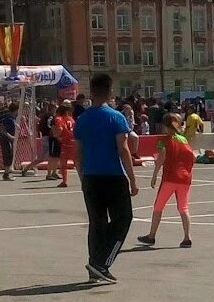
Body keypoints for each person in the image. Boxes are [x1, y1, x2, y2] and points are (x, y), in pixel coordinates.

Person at [74, 73, 140, 283]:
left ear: (92, 93)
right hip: (112, 176)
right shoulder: (116, 117)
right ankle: (101, 263)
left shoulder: (82, 119)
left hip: (91, 177)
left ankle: (95, 263)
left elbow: (77, 155)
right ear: (110, 92)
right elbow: (123, 150)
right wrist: (133, 179)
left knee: (97, 223)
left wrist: (82, 176)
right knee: (123, 219)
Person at [138, 113, 195, 248]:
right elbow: (192, 157)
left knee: (158, 207)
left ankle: (151, 236)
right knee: (183, 207)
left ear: (164, 126)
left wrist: (154, 175)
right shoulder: (183, 139)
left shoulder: (163, 140)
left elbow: (160, 158)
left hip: (170, 177)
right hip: (185, 178)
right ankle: (187, 237)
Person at [52, 103, 77, 188]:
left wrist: (56, 135)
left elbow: (60, 129)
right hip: (74, 142)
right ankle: (83, 180)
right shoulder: (71, 119)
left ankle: (64, 181)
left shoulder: (59, 119)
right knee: (77, 162)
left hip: (65, 142)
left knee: (63, 163)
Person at [0, 102, 19, 181]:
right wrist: (11, 136)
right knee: (7, 156)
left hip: (9, 140)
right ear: (15, 110)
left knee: (10, 156)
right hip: (6, 140)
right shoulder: (8, 118)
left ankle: (7, 173)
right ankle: (6, 174)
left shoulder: (13, 118)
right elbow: (2, 129)